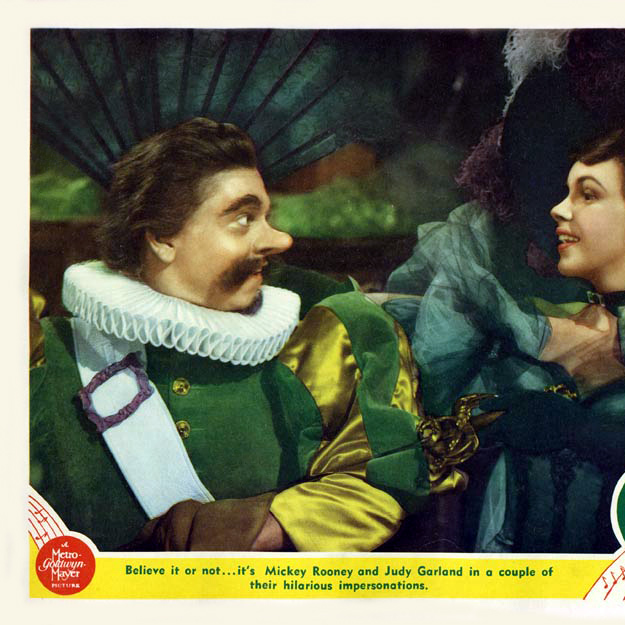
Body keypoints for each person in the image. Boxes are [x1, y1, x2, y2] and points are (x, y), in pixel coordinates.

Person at [29, 117, 466, 552]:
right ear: (162, 238)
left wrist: (261, 526)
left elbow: (384, 478)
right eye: (242, 219)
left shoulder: (327, 338)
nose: (280, 239)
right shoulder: (44, 356)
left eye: (266, 216)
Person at [384, 116, 625, 553]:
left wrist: (587, 432)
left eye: (588, 195)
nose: (560, 209)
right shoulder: (541, 319)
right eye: (566, 192)